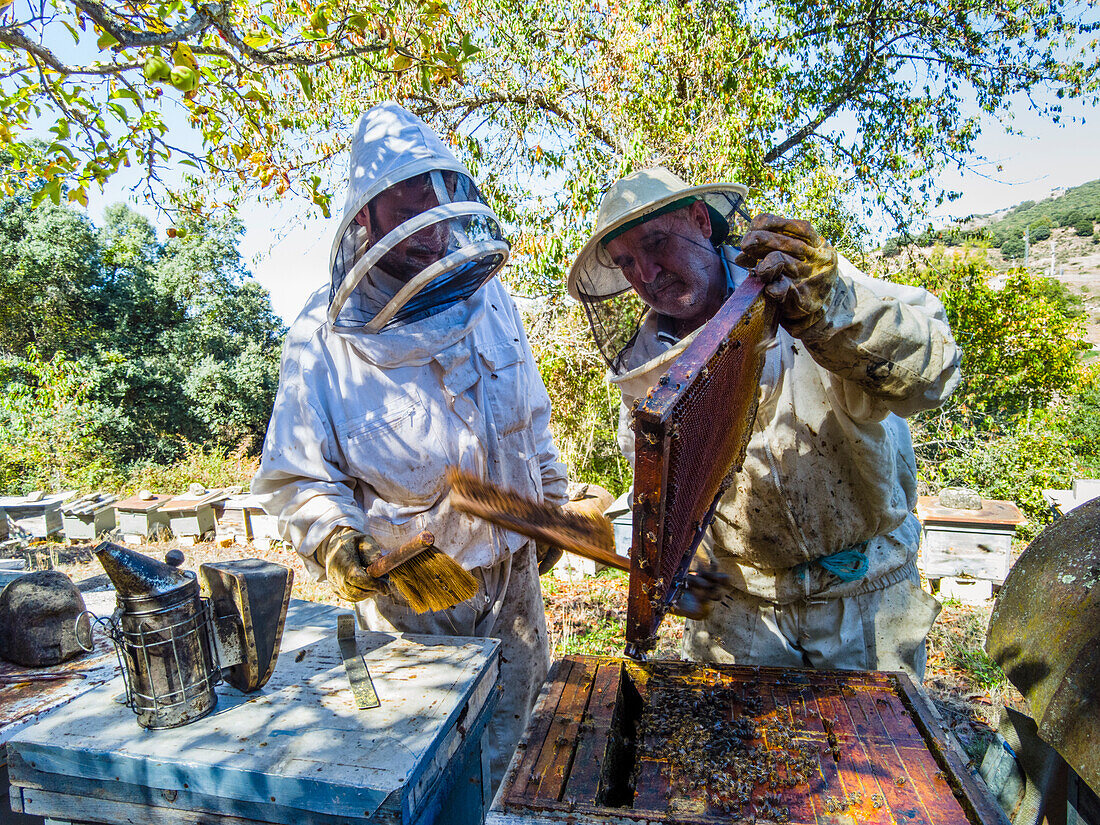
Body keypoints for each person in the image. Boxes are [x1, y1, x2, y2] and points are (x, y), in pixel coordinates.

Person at [252, 102, 568, 788]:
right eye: (407, 198)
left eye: (435, 188)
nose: (429, 212)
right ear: (366, 218)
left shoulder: (492, 298)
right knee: (430, 779)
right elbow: (298, 475)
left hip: (514, 589)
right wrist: (338, 542)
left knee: (519, 766)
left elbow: (531, 421)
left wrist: (557, 511)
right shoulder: (322, 337)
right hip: (410, 609)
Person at [567, 167, 961, 679]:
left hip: (863, 594)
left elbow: (933, 372)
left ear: (699, 221)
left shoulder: (803, 288)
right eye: (625, 263)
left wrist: (833, 310)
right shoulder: (646, 373)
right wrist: (678, 566)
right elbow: (666, 496)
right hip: (740, 609)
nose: (645, 273)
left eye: (657, 242)